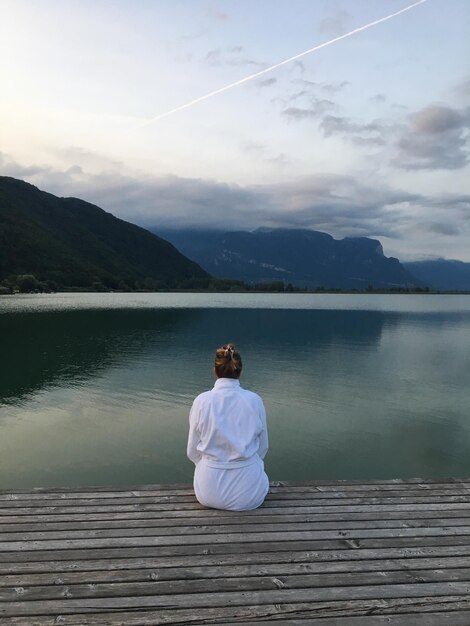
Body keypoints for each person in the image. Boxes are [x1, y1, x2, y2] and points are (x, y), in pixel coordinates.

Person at [187, 343, 269, 511]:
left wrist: (211, 465)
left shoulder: (202, 401)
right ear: (240, 372)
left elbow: (192, 451)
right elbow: (263, 447)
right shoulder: (254, 400)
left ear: (215, 371)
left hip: (207, 492)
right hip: (248, 495)